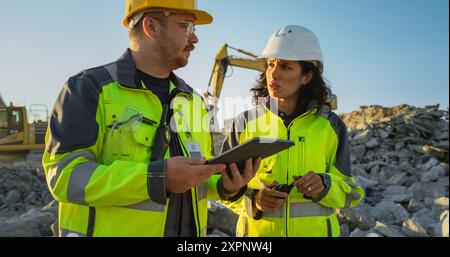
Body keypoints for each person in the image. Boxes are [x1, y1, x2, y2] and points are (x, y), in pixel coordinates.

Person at [42, 0, 259, 237]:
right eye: (186, 27)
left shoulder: (193, 102)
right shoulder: (89, 89)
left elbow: (196, 177)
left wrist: (227, 185)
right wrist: (157, 179)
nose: (194, 39)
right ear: (151, 27)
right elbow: (64, 176)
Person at [221, 25, 365, 237]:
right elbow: (219, 187)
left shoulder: (332, 126)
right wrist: (254, 199)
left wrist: (325, 185)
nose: (274, 74)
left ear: (306, 76)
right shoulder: (244, 123)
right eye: (271, 65)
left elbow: (350, 194)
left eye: (286, 67)